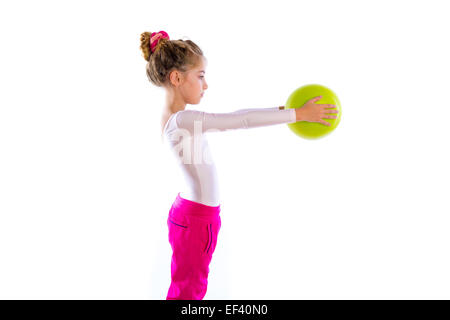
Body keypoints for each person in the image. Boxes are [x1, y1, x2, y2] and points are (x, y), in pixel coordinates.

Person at [139, 30, 339, 300]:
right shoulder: (182, 121)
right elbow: (240, 120)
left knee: (188, 287)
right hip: (196, 220)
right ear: (176, 78)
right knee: (188, 292)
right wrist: (297, 114)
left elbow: (241, 117)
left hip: (191, 215)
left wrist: (283, 110)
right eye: (200, 76)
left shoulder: (176, 118)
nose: (205, 85)